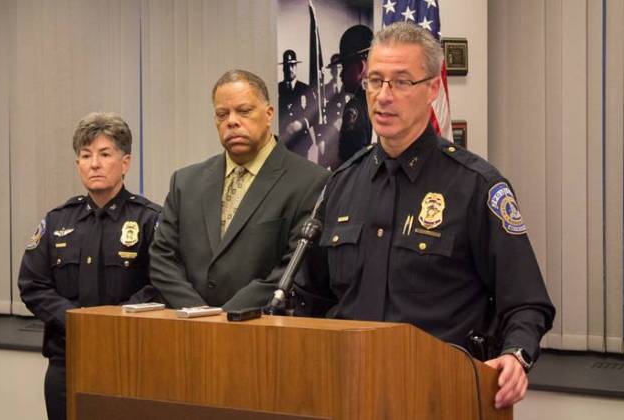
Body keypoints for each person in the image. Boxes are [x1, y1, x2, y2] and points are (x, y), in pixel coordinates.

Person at [293, 22, 555, 409]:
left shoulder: (476, 186)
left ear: (433, 88)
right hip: (346, 393)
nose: (383, 96)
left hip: (441, 396)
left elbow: (526, 302)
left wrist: (516, 355)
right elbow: (309, 295)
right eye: (375, 80)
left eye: (401, 82)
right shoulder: (340, 185)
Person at [18, 112, 161, 420]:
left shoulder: (149, 220)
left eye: (105, 154)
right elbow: (32, 285)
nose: (94, 163)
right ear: (78, 164)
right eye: (86, 155)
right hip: (66, 361)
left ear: (125, 162)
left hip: (128, 358)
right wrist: (76, 322)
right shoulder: (57, 221)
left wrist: (109, 324)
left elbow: (161, 284)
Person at [150, 69, 329, 311]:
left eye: (244, 111)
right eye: (222, 114)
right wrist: (199, 315)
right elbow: (162, 259)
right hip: (189, 332)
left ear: (268, 114)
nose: (231, 121)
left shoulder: (310, 182)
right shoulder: (185, 182)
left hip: (261, 332)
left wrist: (226, 319)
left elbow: (294, 267)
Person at [335, 25, 374, 167]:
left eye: (345, 66)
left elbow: (350, 163)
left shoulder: (355, 107)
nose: (341, 74)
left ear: (360, 67)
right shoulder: (381, 99)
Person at [278, 49, 318, 161]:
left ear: (296, 66)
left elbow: (315, 113)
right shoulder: (277, 89)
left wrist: (301, 124)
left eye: (292, 65)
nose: (289, 69)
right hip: (283, 141)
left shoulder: (306, 89)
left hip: (302, 141)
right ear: (283, 68)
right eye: (286, 66)